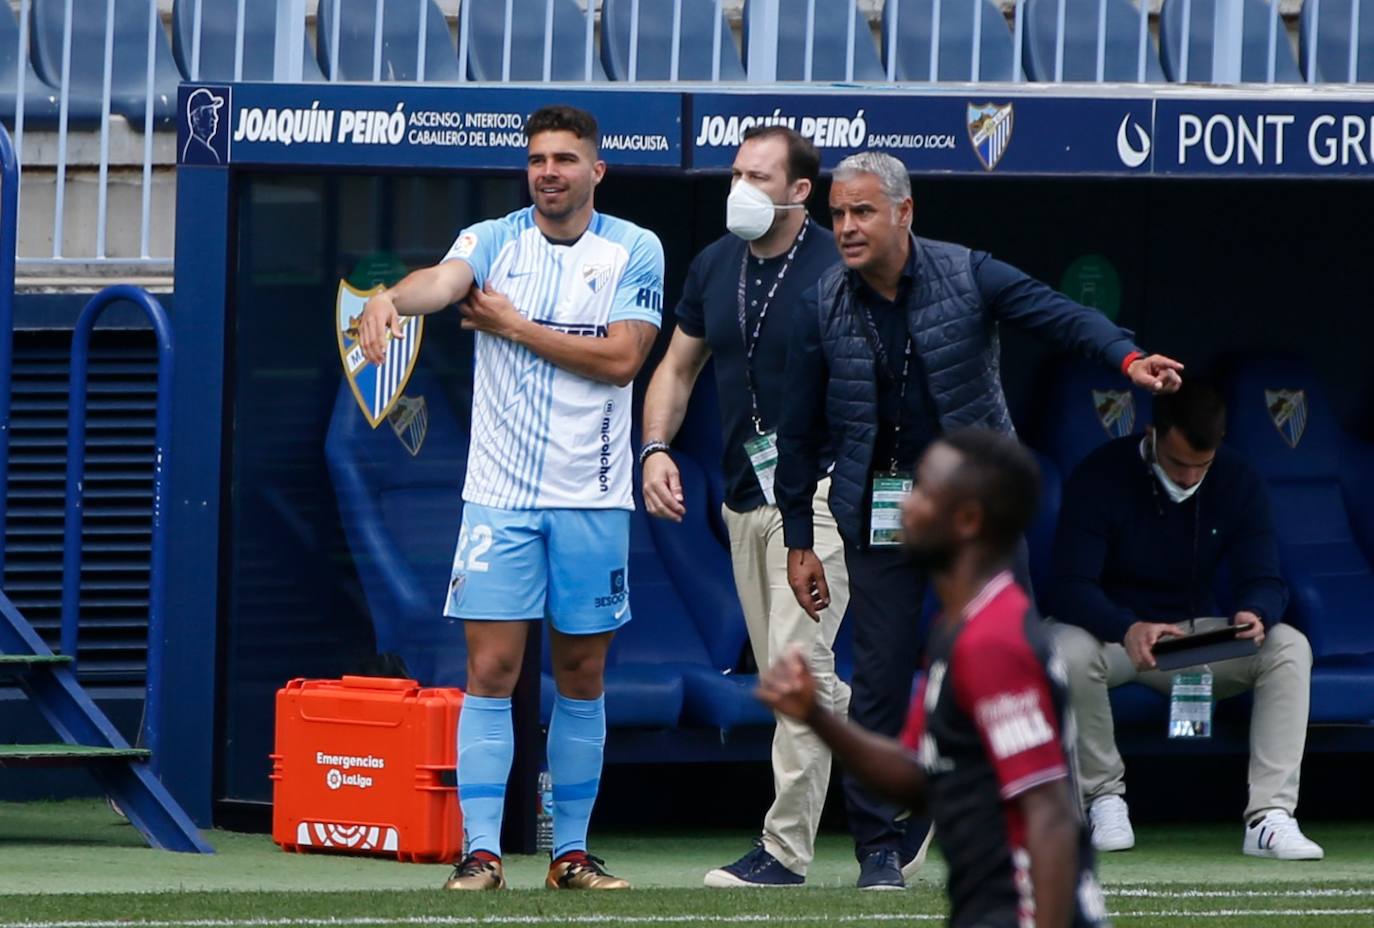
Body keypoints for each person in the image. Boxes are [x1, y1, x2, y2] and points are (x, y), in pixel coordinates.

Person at [774, 150, 1183, 890]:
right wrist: (800, 541)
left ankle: (1021, 818)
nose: (846, 226)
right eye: (837, 213)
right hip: (880, 511)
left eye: (862, 210)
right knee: (879, 678)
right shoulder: (821, 302)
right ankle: (878, 849)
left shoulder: (969, 272)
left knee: (1003, 665)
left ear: (904, 212)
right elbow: (798, 434)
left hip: (979, 518)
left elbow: (1061, 317)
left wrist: (1127, 362)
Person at [356, 104, 664, 891]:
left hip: (593, 498)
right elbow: (443, 280)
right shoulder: (494, 238)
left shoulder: (634, 248)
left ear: (597, 170)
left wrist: (514, 326)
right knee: (490, 670)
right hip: (500, 498)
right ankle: (482, 853)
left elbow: (623, 359)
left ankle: (570, 854)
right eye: (537, 159)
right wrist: (393, 297)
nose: (548, 172)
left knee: (583, 674)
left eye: (565, 159)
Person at [760, 428, 1109, 928]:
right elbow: (922, 780)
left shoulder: (995, 640)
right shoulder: (958, 627)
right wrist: (816, 715)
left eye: (923, 491)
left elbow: (1049, 815)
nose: (905, 504)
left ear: (966, 521)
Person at [640, 126, 849, 888]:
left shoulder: (837, 263)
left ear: (800, 191)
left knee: (797, 668)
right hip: (743, 497)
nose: (741, 190)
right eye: (736, 173)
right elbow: (677, 366)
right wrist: (655, 448)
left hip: (822, 493)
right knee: (802, 677)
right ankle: (913, 782)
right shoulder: (713, 263)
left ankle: (785, 851)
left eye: (760, 177)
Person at [1050, 378, 1322, 861]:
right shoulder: (1101, 474)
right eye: (1178, 464)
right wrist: (1125, 627)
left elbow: (1265, 577)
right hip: (1113, 639)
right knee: (1062, 650)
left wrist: (1255, 612)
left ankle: (1268, 817)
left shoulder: (1237, 478)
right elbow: (1070, 586)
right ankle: (1103, 800)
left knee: (1287, 645)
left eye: (1203, 465)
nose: (1190, 478)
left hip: (1187, 640)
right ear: (1153, 433)